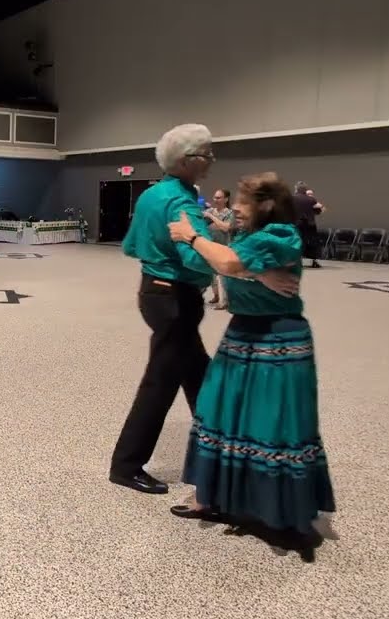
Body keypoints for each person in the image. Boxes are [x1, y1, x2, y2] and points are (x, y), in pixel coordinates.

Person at [109, 123, 296, 496]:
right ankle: (126, 465)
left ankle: (223, 455)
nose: (211, 160)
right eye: (207, 154)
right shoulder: (181, 202)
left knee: (201, 380)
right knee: (160, 385)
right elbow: (198, 257)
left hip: (154, 292)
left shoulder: (151, 194)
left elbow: (130, 245)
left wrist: (157, 255)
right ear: (187, 160)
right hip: (175, 300)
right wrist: (256, 272)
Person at [166, 172, 334, 544]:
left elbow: (228, 264)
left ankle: (276, 509)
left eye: (244, 202)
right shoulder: (247, 236)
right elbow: (221, 263)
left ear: (268, 205)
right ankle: (213, 496)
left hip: (278, 337)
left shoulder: (281, 235)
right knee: (221, 411)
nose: (236, 209)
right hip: (242, 332)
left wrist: (193, 237)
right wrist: (255, 275)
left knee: (270, 421)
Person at [204, 188, 235, 309]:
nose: (215, 200)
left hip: (224, 247)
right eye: (215, 197)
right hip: (211, 247)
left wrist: (212, 218)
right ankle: (216, 296)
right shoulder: (210, 211)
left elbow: (226, 228)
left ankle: (224, 301)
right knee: (212, 275)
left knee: (223, 276)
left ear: (226, 199)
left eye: (218, 198)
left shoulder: (230, 213)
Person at [293, 183, 325, 268]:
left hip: (297, 224)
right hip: (310, 224)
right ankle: (314, 262)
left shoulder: (292, 198)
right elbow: (319, 210)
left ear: (297, 189)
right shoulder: (311, 199)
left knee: (297, 242)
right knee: (313, 242)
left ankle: (297, 261)